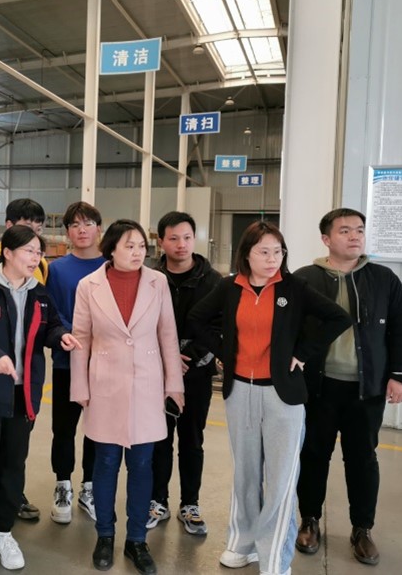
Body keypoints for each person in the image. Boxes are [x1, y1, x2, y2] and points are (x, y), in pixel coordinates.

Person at [187, 221, 350, 575]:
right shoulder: (230, 287)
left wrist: (303, 353)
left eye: (278, 251)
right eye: (264, 251)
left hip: (283, 396)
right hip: (240, 393)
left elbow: (337, 318)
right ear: (246, 254)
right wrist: (223, 352)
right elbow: (196, 318)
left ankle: (275, 556)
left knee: (280, 480)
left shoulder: (294, 287)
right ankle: (242, 544)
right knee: (246, 474)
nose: (272, 258)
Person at [0, 225, 80, 575]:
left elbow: (51, 325)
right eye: (28, 251)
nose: (35, 258)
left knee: (13, 465)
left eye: (38, 252)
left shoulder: (39, 293)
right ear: (7, 252)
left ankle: (4, 533)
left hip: (24, 395)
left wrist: (61, 336)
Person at [294, 208, 402, 566]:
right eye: (345, 230)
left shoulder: (383, 279)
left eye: (359, 230)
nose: (354, 236)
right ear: (326, 239)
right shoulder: (304, 279)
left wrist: (400, 375)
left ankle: (362, 529)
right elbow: (289, 331)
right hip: (317, 387)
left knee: (362, 459)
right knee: (313, 455)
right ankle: (309, 521)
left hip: (366, 389)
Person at [71, 219, 185, 575]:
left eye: (141, 247)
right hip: (104, 385)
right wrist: (80, 387)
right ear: (112, 249)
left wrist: (174, 384)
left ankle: (137, 540)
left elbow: (168, 334)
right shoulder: (89, 285)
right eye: (129, 246)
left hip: (147, 385)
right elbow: (81, 337)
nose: (137, 253)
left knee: (141, 465)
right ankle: (105, 535)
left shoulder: (157, 282)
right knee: (105, 463)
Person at [0, 197, 48, 525]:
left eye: (38, 229)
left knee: (16, 446)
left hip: (24, 375)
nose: (33, 237)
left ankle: (11, 496)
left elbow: (41, 313)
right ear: (10, 227)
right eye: (26, 227)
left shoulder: (41, 266)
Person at [146, 211, 222, 536]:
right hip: (155, 373)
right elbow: (140, 323)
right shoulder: (148, 278)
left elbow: (220, 326)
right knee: (158, 439)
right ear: (161, 241)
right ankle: (157, 501)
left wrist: (187, 357)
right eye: (174, 238)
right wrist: (165, 358)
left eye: (187, 237)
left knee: (192, 440)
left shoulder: (213, 281)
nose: (181, 244)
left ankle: (190, 504)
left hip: (196, 374)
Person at [45, 201, 106, 524]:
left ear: (99, 228)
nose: (81, 230)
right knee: (64, 428)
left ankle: (90, 487)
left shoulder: (111, 265)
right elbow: (52, 312)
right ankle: (63, 485)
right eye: (74, 225)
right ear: (67, 232)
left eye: (88, 224)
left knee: (97, 428)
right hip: (67, 361)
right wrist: (76, 337)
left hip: (104, 363)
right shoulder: (56, 269)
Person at [0, 198, 48, 285]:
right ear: (9, 225)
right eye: (28, 228)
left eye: (38, 229)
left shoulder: (41, 264)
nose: (34, 235)